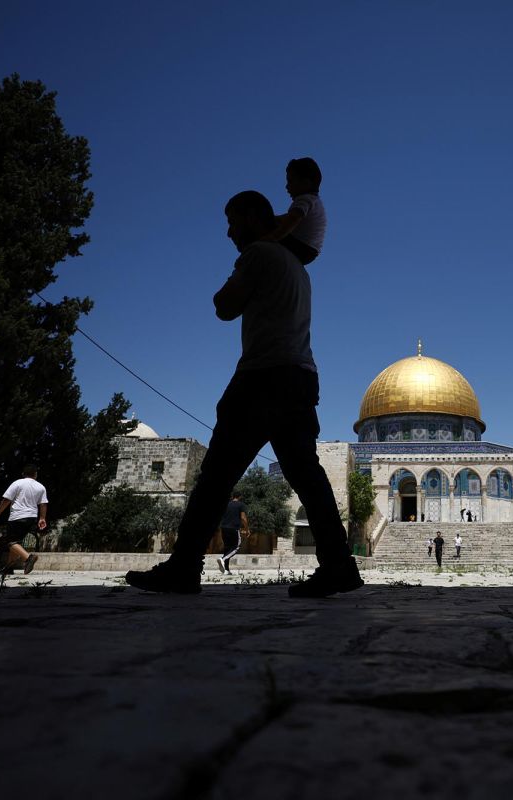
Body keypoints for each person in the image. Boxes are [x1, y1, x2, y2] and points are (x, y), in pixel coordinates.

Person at [126, 191, 361, 598]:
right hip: (301, 376)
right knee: (307, 475)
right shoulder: (298, 268)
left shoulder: (259, 254)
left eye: (234, 222)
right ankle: (339, 565)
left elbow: (224, 306)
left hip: (263, 376)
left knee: (216, 476)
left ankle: (183, 567)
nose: (230, 232)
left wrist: (238, 269)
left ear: (254, 217)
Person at [266, 157, 325, 266]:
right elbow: (289, 217)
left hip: (301, 247)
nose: (287, 186)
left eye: (291, 181)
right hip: (310, 251)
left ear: (306, 183)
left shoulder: (304, 199)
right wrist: (275, 219)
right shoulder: (314, 201)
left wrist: (272, 238)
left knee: (265, 226)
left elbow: (292, 219)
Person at [0, 465, 47, 577]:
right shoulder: (41, 487)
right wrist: (42, 518)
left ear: (23, 474)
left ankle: (28, 558)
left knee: (8, 541)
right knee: (15, 541)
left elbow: (7, 499)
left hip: (17, 516)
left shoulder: (17, 483)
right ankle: (8, 568)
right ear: (35, 474)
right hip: (32, 517)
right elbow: (43, 503)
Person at [217, 491, 249, 575]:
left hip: (224, 528)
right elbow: (243, 518)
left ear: (232, 496)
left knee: (227, 548)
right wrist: (247, 529)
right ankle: (222, 559)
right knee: (236, 547)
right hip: (234, 528)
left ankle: (226, 570)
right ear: (240, 496)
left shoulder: (227, 504)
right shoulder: (241, 505)